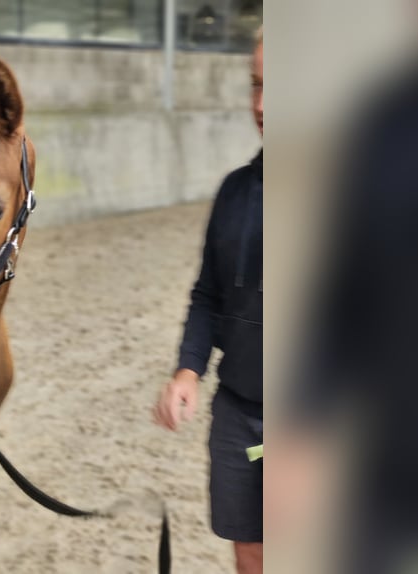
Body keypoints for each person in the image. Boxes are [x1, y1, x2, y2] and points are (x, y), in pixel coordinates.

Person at [153, 28, 263, 574]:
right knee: (250, 550)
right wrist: (188, 370)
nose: (262, 105)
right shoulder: (236, 192)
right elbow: (207, 294)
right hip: (240, 412)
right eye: (256, 85)